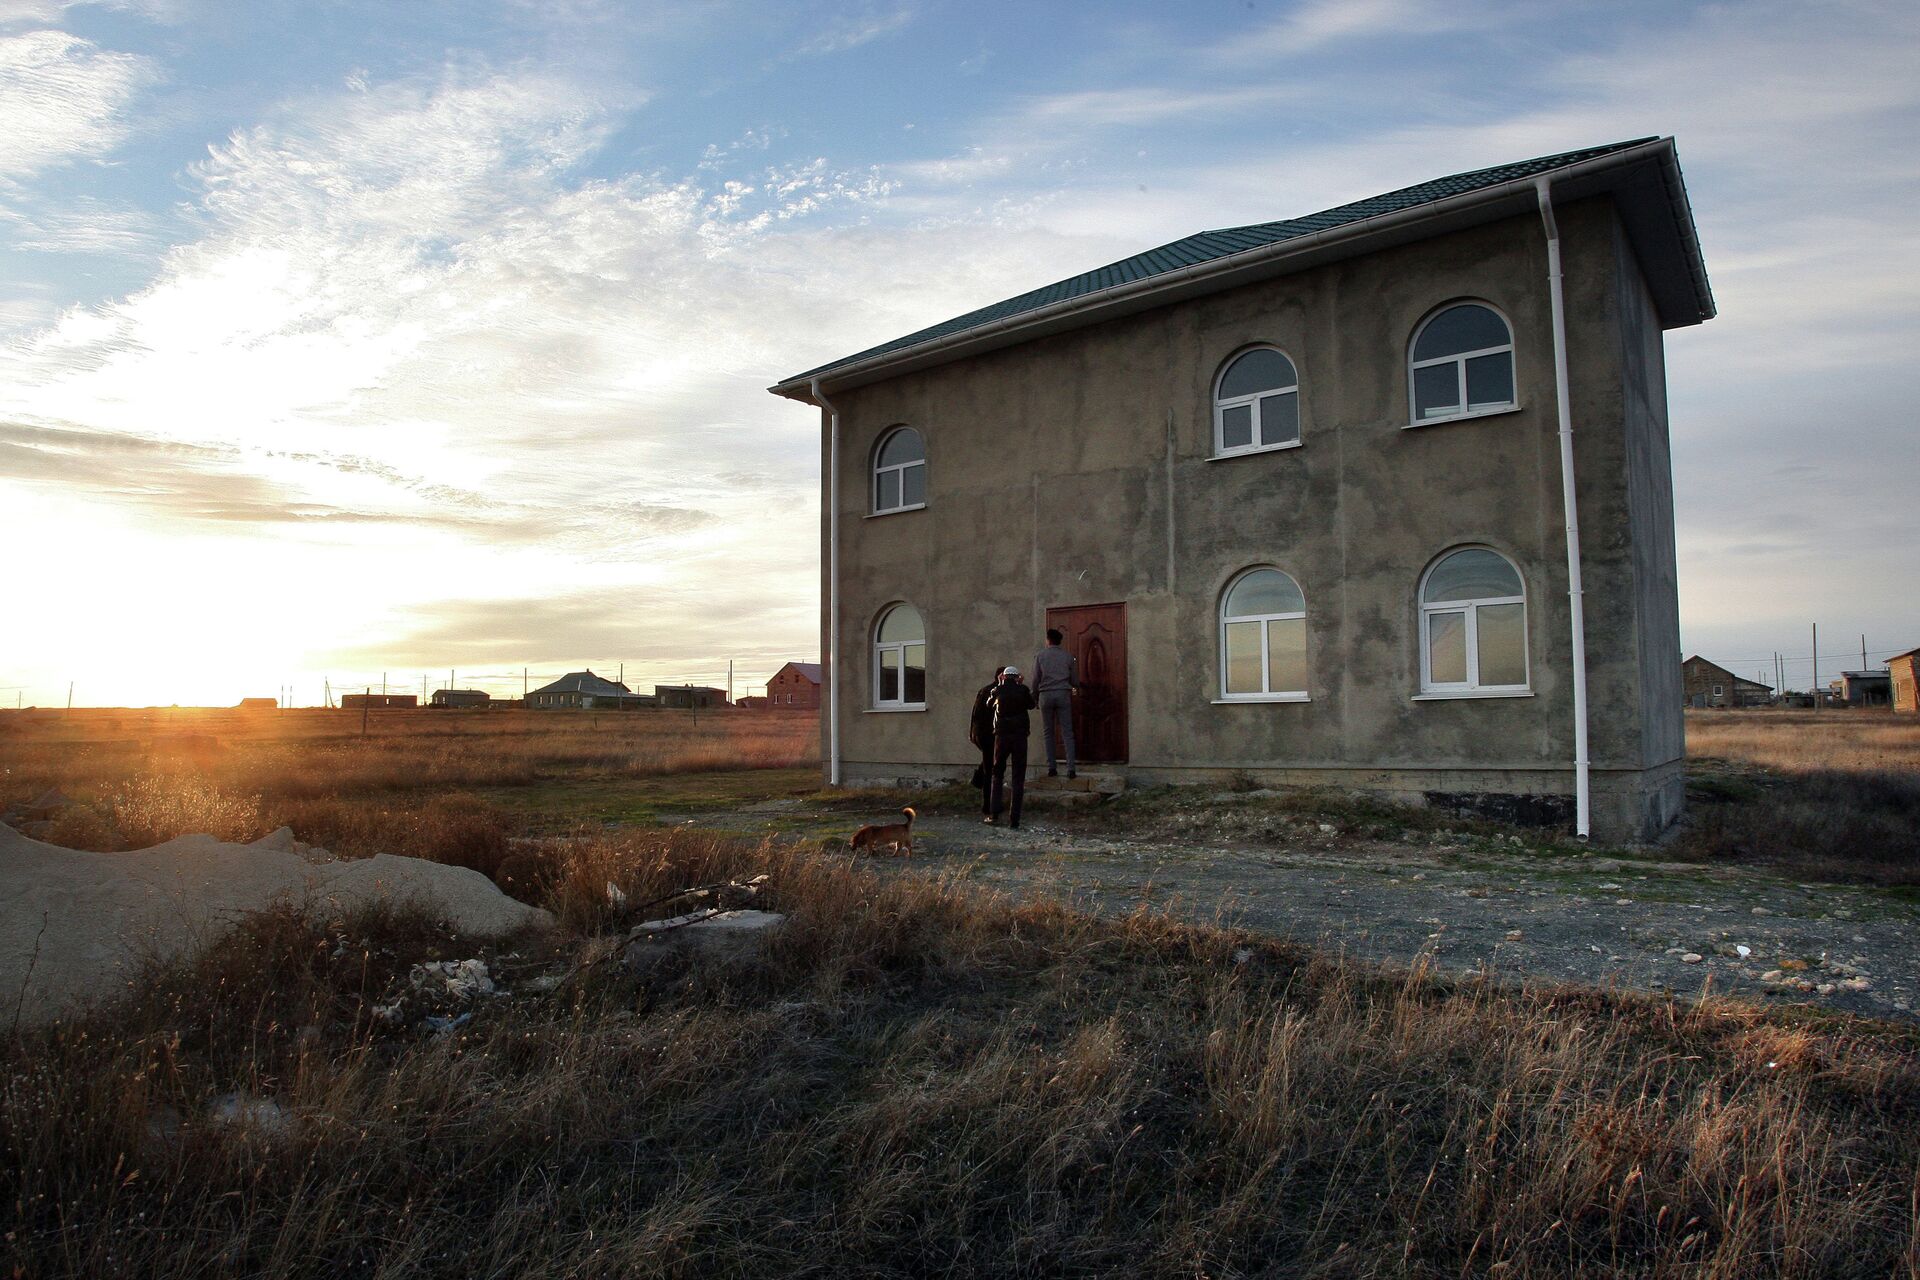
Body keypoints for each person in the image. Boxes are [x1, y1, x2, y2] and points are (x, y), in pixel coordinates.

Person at [986, 665, 1035, 828]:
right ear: (1017, 677)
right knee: (1018, 777)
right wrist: (1021, 685)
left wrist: (999, 686)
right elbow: (1031, 704)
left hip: (1002, 736)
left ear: (1004, 677)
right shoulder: (1023, 690)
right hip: (1020, 737)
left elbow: (989, 704)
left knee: (997, 773)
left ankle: (994, 813)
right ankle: (1015, 820)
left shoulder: (998, 691)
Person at [1032, 627, 1079, 778]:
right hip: (1063, 694)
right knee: (1067, 732)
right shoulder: (1068, 656)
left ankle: (1052, 767)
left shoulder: (1040, 656)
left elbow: (1035, 679)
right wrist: (1074, 687)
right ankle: (1071, 768)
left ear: (1048, 640)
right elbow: (1075, 680)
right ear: (1060, 641)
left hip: (1045, 695)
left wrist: (1034, 696)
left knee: (1048, 732)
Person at [966, 666, 1000, 816]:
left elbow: (974, 713)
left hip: (981, 734)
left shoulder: (984, 690)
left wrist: (972, 733)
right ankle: (988, 805)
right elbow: (979, 714)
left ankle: (978, 781)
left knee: (990, 762)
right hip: (990, 734)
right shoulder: (996, 692)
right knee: (990, 768)